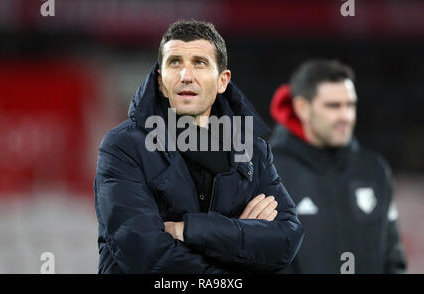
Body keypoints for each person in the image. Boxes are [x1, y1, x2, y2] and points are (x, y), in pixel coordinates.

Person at [93, 19, 304, 274]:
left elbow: (285, 240)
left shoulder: (254, 151)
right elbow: (144, 252)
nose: (186, 76)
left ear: (222, 81)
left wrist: (188, 230)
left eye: (199, 63)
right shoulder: (124, 146)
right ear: (160, 80)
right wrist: (239, 237)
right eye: (175, 62)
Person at [269, 59, 407, 274]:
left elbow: (393, 258)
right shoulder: (269, 171)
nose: (346, 116)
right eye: (333, 106)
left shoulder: (374, 169)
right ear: (302, 108)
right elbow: (264, 260)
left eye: (350, 105)